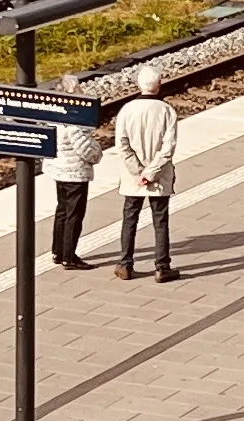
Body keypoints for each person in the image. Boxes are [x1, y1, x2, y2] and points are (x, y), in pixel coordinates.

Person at [110, 64, 183, 281]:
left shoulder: (126, 110)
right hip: (158, 178)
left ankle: (125, 264)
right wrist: (150, 173)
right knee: (160, 220)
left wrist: (137, 171)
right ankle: (162, 266)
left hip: (133, 179)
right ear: (158, 86)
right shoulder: (167, 111)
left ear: (138, 85)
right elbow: (168, 148)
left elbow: (122, 144)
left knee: (129, 218)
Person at [48, 101, 105, 268]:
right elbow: (86, 149)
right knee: (74, 215)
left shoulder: (54, 116)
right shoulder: (74, 123)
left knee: (62, 212)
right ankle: (69, 256)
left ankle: (57, 252)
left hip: (59, 171)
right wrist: (97, 154)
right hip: (75, 173)